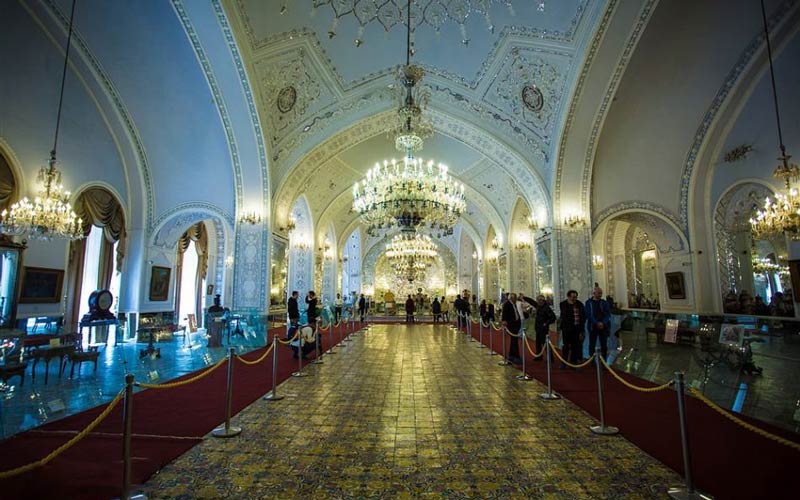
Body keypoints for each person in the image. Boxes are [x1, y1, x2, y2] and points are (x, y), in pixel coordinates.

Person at [559, 290, 585, 368]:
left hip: (576, 329)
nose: (574, 298)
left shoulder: (579, 304)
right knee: (566, 346)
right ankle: (564, 362)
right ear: (569, 296)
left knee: (575, 346)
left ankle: (573, 363)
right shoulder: (563, 304)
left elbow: (582, 317)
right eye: (573, 297)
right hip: (567, 329)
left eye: (576, 297)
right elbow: (564, 316)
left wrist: (581, 330)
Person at [585, 286, 611, 360]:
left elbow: (608, 314)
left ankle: (604, 360)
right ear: (594, 293)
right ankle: (592, 359)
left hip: (603, 326)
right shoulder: (588, 303)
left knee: (604, 344)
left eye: (601, 293)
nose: (600, 295)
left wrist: (603, 323)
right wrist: (596, 323)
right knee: (592, 344)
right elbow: (588, 314)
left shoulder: (604, 303)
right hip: (593, 326)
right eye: (599, 293)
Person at [533, 294, 556, 360]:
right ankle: (539, 356)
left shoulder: (546, 308)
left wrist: (546, 323)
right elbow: (532, 302)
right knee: (538, 343)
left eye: (541, 300)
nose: (539, 301)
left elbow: (553, 317)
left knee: (545, 343)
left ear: (543, 300)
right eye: (538, 300)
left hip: (543, 328)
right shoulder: (538, 307)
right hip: (538, 327)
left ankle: (550, 357)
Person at [501, 292, 522, 364]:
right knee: (514, 340)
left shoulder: (513, 304)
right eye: (515, 298)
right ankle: (516, 357)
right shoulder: (507, 304)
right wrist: (504, 321)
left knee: (514, 340)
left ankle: (511, 355)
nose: (516, 299)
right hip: (511, 324)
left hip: (515, 324)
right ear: (511, 298)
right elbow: (504, 313)